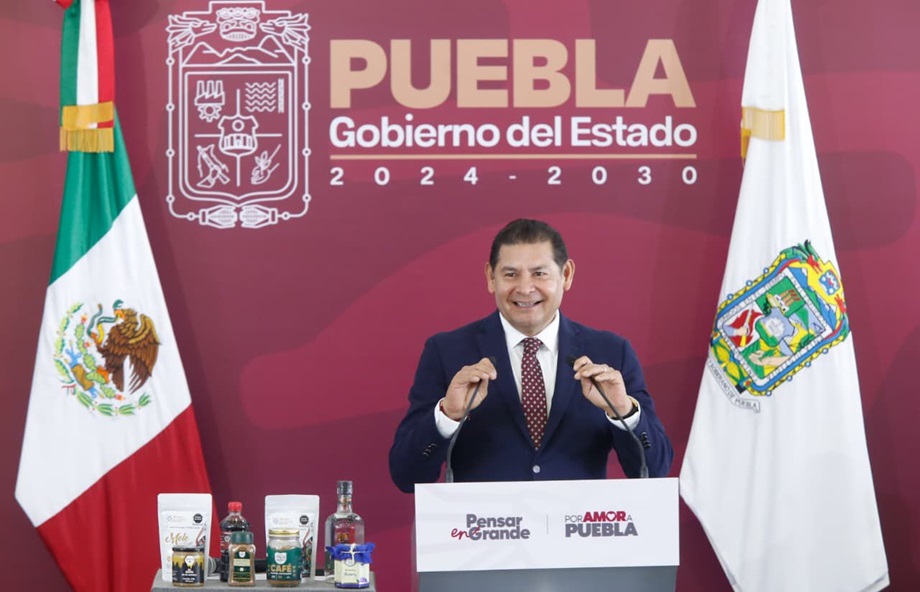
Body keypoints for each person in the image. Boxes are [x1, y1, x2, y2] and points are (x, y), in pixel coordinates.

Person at [389, 219, 672, 493]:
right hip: (483, 525)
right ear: (491, 277)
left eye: (539, 273)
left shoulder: (611, 352)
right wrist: (447, 417)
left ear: (566, 274)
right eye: (511, 274)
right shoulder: (447, 352)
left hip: (578, 524)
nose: (525, 289)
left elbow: (654, 471)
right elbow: (406, 475)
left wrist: (623, 411)